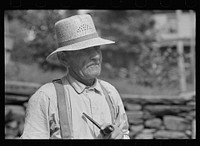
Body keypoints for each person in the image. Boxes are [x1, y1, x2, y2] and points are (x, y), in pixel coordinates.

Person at [20, 14, 129, 139]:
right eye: (85, 50)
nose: (96, 56)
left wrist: (119, 136)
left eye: (97, 48)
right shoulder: (46, 98)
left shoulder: (110, 93)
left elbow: (124, 133)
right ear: (64, 59)